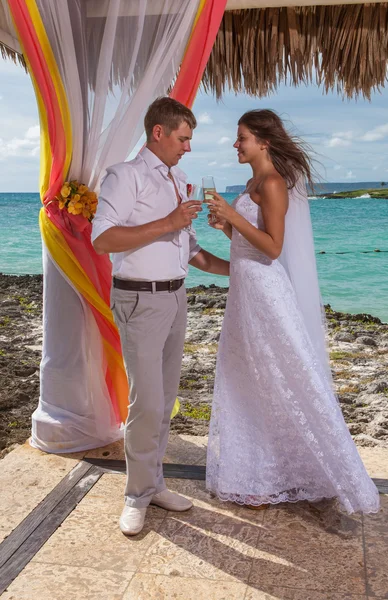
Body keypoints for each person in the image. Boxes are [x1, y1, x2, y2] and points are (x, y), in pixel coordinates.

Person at [205, 109, 379, 514]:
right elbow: (249, 240)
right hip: (244, 293)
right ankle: (259, 474)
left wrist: (234, 217)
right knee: (249, 379)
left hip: (265, 292)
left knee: (290, 376)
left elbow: (272, 247)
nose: (236, 144)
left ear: (263, 142)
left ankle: (323, 471)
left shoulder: (272, 182)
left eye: (241, 137)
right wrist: (226, 228)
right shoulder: (252, 182)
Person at [92, 97, 230, 535]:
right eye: (184, 138)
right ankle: (135, 495)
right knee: (146, 402)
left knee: (164, 400)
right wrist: (169, 222)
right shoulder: (124, 176)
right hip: (139, 300)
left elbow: (189, 252)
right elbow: (102, 239)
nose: (188, 147)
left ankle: (154, 483)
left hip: (175, 299)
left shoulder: (179, 179)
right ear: (159, 133)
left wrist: (241, 268)